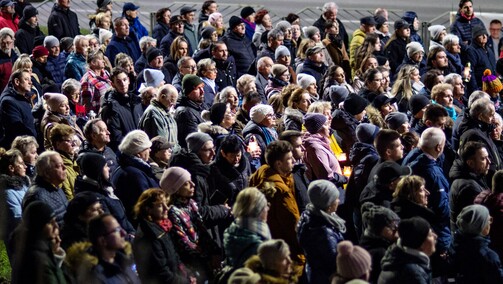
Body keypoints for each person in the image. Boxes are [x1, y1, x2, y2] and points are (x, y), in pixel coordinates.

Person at [248, 141, 304, 274]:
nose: (293, 161)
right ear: (278, 164)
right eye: (289, 159)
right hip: (286, 253)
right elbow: (293, 225)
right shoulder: (280, 192)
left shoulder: (262, 173)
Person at [161, 167, 221, 283]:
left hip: (207, 258)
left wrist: (215, 251)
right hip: (195, 266)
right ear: (176, 189)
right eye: (186, 184)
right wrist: (207, 260)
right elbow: (183, 243)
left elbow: (202, 230)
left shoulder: (191, 204)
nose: (193, 184)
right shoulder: (172, 212)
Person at [133, 188, 195, 284]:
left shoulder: (160, 226)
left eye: (166, 203)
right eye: (160, 205)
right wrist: (186, 282)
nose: (166, 208)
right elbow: (163, 275)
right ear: (148, 209)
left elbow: (174, 256)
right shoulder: (149, 236)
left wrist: (188, 274)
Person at [74, 152, 134, 237]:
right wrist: (129, 237)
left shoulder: (104, 188)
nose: (109, 169)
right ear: (97, 170)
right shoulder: (97, 198)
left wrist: (132, 232)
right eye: (105, 166)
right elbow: (110, 227)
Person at [297, 180, 347, 283]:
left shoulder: (309, 217)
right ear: (328, 203)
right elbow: (333, 263)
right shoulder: (322, 232)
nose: (338, 201)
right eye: (335, 199)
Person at [67, 214, 140, 283]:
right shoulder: (96, 277)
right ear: (102, 240)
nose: (123, 233)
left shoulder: (123, 260)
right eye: (117, 230)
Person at [10, 201, 66, 284]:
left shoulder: (36, 249)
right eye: (50, 223)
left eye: (55, 221)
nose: (56, 226)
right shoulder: (36, 259)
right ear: (38, 225)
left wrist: (55, 254)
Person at [111, 130, 158, 221]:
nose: (150, 150)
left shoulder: (125, 168)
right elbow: (145, 204)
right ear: (138, 153)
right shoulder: (134, 175)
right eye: (147, 148)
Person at [453, 204, 503, 283]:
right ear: (481, 225)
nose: (490, 222)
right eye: (489, 219)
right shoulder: (489, 256)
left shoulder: (456, 245)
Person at [378, 217, 437, 284]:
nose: (435, 236)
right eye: (430, 235)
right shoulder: (413, 274)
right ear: (421, 243)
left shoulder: (398, 257)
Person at [223, 187, 271, 268]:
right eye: (265, 206)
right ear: (258, 210)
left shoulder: (232, 230)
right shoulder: (259, 243)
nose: (267, 209)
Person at [449, 141, 490, 230]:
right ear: (470, 163)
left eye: (488, 157)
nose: (489, 162)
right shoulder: (468, 187)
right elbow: (477, 222)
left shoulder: (474, 177)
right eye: (483, 158)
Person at [100, 67, 143, 150]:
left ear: (129, 80)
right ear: (113, 84)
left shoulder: (136, 101)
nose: (123, 84)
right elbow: (116, 137)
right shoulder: (111, 108)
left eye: (124, 80)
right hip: (127, 151)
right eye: (118, 82)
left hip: (141, 147)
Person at [23, 151, 68, 226]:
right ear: (47, 173)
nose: (64, 168)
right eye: (59, 165)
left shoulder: (55, 186)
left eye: (63, 164)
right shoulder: (36, 197)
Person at [359, 203, 400, 283]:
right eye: (392, 225)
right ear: (381, 229)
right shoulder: (380, 253)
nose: (396, 228)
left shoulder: (368, 240)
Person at [209, 134, 250, 207]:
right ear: (223, 153)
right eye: (232, 156)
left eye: (238, 155)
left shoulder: (245, 161)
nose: (236, 159)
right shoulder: (214, 169)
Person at [0, 69, 37, 149]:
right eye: (26, 79)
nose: (30, 82)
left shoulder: (25, 98)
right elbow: (17, 130)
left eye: (30, 79)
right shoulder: (8, 102)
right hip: (22, 148)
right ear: (17, 82)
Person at [174, 74, 206, 149]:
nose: (202, 91)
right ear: (188, 92)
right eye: (198, 88)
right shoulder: (185, 113)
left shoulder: (201, 105)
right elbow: (194, 141)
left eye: (202, 87)